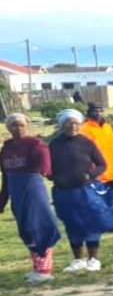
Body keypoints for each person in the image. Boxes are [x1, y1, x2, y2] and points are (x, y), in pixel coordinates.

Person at [49, 109, 113, 273]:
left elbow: (102, 164)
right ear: (62, 125)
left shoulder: (86, 142)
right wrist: (51, 175)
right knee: (71, 224)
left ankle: (93, 259)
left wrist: (90, 174)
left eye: (76, 123)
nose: (73, 126)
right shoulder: (54, 144)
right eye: (69, 123)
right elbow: (48, 165)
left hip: (85, 190)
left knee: (91, 223)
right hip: (63, 191)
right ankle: (78, 260)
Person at [1, 113, 60, 283]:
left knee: (38, 226)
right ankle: (37, 267)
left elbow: (44, 162)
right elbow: (5, 176)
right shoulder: (7, 148)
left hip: (32, 189)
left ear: (26, 126)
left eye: (21, 125)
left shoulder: (35, 144)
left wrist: (46, 171)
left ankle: (45, 270)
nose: (17, 128)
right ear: (8, 128)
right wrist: (3, 200)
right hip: (16, 191)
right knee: (25, 229)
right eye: (13, 125)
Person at [81, 103, 113, 190]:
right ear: (89, 113)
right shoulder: (84, 130)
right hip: (99, 172)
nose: (98, 113)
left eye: (100, 111)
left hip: (112, 170)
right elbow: (85, 152)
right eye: (95, 111)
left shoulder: (107, 127)